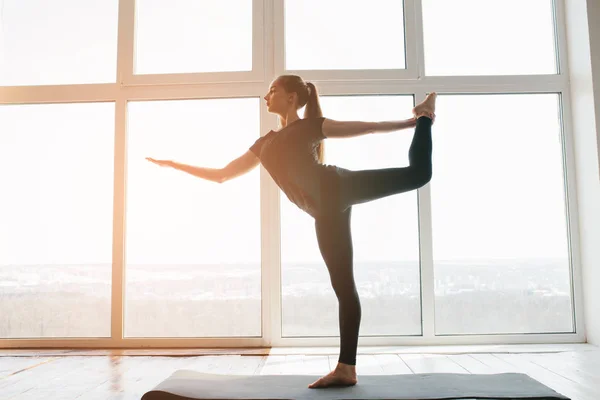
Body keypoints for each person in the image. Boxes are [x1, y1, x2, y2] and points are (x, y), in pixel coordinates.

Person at [146, 75, 436, 389]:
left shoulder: (309, 127)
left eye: (273, 90)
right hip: (324, 213)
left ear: (291, 98)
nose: (266, 95)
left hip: (339, 187)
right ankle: (346, 369)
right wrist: (175, 164)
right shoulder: (264, 143)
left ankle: (426, 116)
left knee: (419, 174)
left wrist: (413, 121)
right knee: (343, 288)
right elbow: (221, 175)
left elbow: (366, 127)